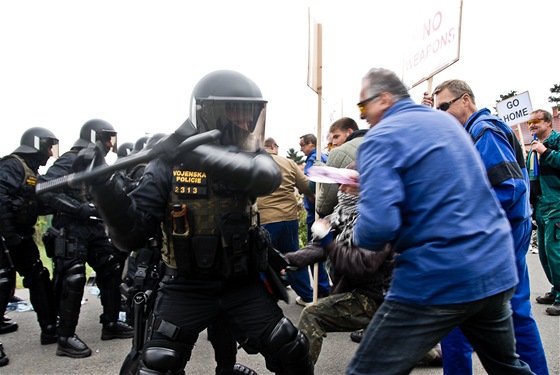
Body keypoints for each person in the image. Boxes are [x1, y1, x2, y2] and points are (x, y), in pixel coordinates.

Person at [76, 70, 314, 374]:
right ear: (210, 114)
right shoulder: (165, 165)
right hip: (184, 286)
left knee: (291, 348)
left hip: (239, 283)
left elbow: (265, 177)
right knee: (158, 364)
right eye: (236, 113)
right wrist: (103, 186)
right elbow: (131, 235)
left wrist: (193, 153)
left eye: (250, 115)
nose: (245, 124)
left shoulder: (252, 158)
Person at [345, 67, 533, 375]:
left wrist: (365, 199)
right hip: (493, 265)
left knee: (366, 371)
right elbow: (439, 188)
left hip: (437, 274)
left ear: (385, 99)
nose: (363, 116)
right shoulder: (446, 124)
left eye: (364, 106)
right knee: (508, 368)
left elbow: (376, 230)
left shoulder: (379, 138)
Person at [428, 81, 548, 374]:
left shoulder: (485, 130)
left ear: (466, 99)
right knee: (512, 315)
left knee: (464, 316)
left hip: (497, 237)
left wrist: (459, 217)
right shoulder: (471, 133)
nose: (442, 114)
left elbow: (508, 188)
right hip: (502, 235)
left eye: (445, 107)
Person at [38, 119, 134, 358]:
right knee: (74, 277)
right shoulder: (72, 159)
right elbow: (45, 187)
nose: (110, 145)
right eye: (107, 139)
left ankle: (111, 324)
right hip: (71, 227)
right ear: (96, 137)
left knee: (111, 268)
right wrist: (76, 208)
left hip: (92, 229)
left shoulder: (97, 163)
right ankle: (65, 337)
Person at [284, 163, 394, 365]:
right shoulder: (342, 214)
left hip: (377, 297)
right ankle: (431, 353)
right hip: (365, 293)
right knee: (391, 341)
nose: (340, 190)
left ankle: (299, 371)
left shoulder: (379, 221)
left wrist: (328, 241)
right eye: (339, 184)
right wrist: (285, 260)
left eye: (347, 185)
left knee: (312, 314)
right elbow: (317, 248)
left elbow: (359, 267)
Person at [0, 127, 59, 345]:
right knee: (4, 280)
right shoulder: (11, 166)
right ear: (37, 144)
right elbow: (1, 200)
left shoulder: (31, 172)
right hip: (6, 234)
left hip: (21, 234)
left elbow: (34, 202)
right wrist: (9, 234)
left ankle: (50, 328)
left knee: (38, 276)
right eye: (48, 147)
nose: (50, 153)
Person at [257, 137, 316, 307]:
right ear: (274, 146)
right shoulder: (288, 162)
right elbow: (306, 187)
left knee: (262, 260)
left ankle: (263, 301)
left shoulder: (254, 161)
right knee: (293, 257)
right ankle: (307, 296)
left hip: (265, 219)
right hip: (289, 218)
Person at [526, 108, 560, 316]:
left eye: (536, 121)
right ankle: (556, 289)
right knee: (545, 254)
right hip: (540, 205)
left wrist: (545, 152)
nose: (531, 126)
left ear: (548, 122)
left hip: (556, 203)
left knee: (555, 252)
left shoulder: (554, 142)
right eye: (529, 123)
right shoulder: (533, 146)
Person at [299, 133, 330, 302]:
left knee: (314, 252)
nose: (301, 149)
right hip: (325, 210)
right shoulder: (325, 155)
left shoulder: (314, 158)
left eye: (302, 145)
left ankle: (321, 289)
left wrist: (310, 196)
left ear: (311, 144)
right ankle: (325, 287)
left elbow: (310, 183)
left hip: (315, 211)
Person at [316, 117, 367, 218]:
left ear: (349, 132)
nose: (334, 143)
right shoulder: (382, 144)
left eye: (336, 137)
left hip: (350, 222)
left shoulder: (339, 152)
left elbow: (325, 204)